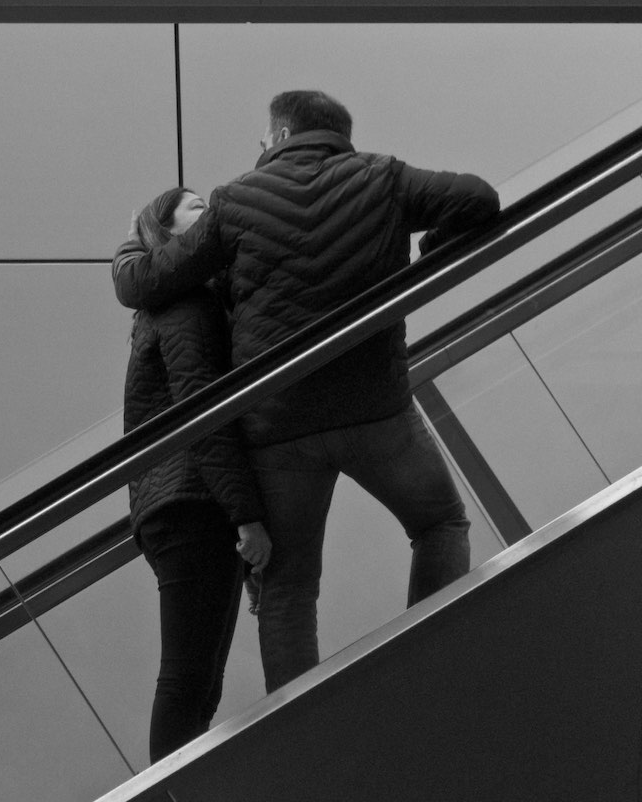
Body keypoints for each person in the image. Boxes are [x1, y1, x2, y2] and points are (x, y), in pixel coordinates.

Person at [113, 91, 501, 694]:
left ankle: (303, 724)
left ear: (283, 132)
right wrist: (430, 249)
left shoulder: (236, 201)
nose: (261, 148)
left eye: (264, 138)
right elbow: (479, 198)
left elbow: (144, 282)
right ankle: (429, 659)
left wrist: (130, 246)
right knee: (440, 523)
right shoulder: (382, 176)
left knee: (289, 587)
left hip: (278, 427)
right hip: (375, 407)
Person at [123, 185, 271, 762]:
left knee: (200, 686)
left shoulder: (187, 300)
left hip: (186, 503)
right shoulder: (184, 303)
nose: (210, 213)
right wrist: (247, 516)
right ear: (166, 230)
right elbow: (201, 413)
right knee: (187, 683)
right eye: (196, 207)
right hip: (192, 504)